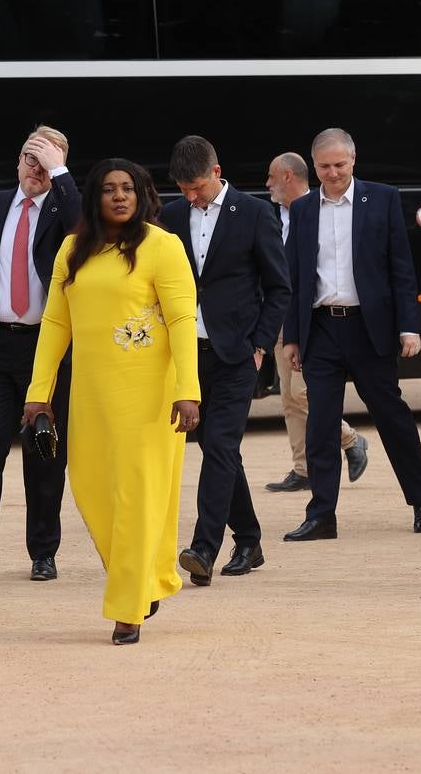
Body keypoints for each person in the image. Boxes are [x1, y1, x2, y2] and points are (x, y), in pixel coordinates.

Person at [23, 159, 200, 645]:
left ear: (141, 195)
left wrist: (189, 389)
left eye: (128, 189)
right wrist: (39, 394)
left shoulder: (164, 247)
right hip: (93, 396)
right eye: (109, 189)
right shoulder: (71, 250)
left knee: (138, 498)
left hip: (150, 398)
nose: (119, 196)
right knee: (91, 491)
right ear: (93, 197)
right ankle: (145, 577)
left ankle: (128, 608)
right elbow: (56, 324)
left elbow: (183, 320)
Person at [281, 128, 421, 541]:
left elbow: (401, 267)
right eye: (324, 166)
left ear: (353, 160)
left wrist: (409, 327)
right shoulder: (302, 209)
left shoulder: (382, 198)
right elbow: (295, 278)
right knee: (321, 424)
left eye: (339, 165)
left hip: (371, 329)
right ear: (313, 167)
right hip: (322, 328)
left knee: (391, 416)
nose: (332, 173)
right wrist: (293, 337)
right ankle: (321, 515)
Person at [161, 136, 290, 586]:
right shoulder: (171, 215)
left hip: (236, 354)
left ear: (217, 172)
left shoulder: (255, 213)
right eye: (183, 189)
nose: (190, 197)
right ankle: (250, 538)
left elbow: (279, 289)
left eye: (196, 186)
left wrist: (258, 345)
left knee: (218, 445)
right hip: (185, 355)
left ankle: (203, 548)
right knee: (220, 450)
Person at [0, 126, 78, 582]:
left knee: (44, 450)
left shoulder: (65, 207)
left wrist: (60, 173)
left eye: (46, 161)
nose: (36, 169)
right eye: (30, 158)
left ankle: (43, 550)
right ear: (16, 161)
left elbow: (84, 231)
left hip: (46, 349)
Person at [262, 151, 370, 494]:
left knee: (303, 391)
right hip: (280, 315)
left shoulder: (318, 211)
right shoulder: (274, 216)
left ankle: (351, 440)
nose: (267, 185)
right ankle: (303, 468)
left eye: (272, 177)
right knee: (288, 398)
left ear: (289, 177)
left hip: (312, 319)